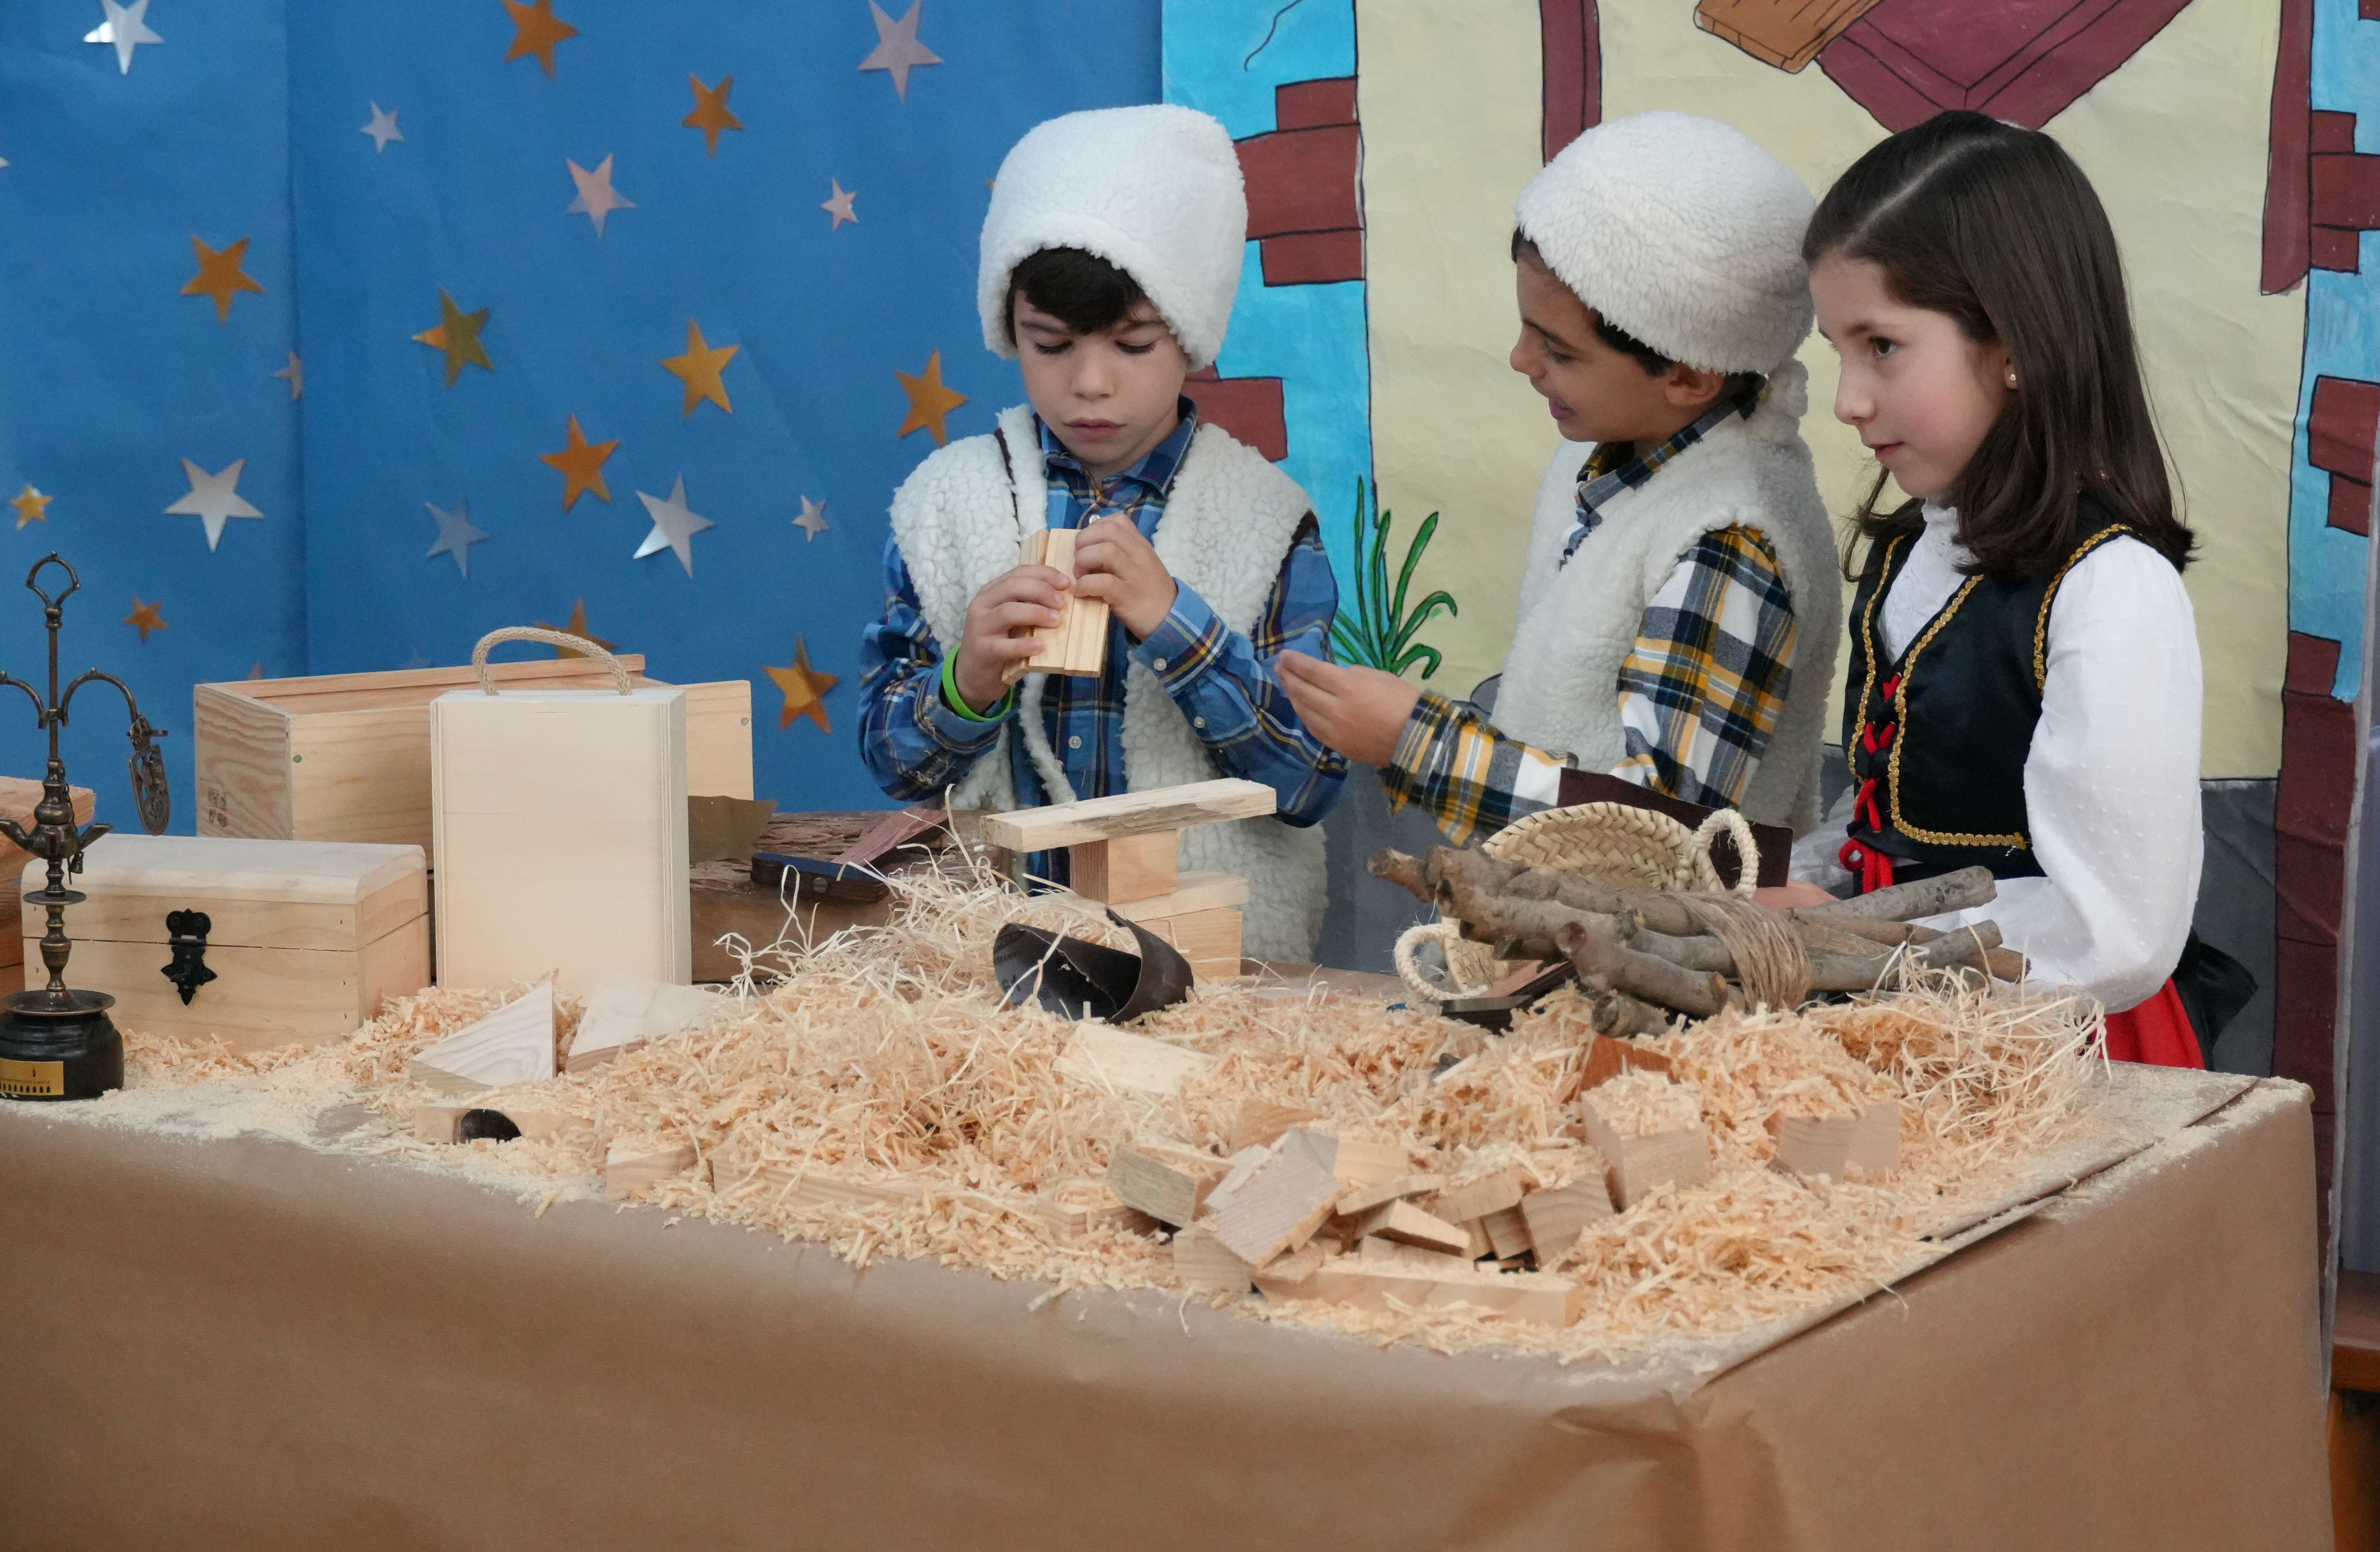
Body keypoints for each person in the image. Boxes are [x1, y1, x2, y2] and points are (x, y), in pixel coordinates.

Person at [857, 105, 1346, 962]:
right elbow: (896, 769)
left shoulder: (1265, 517)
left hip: (1217, 975)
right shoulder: (948, 502)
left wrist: (1175, 623)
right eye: (1050, 344)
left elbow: (1309, 782)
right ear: (1010, 328)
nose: (1090, 383)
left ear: (1190, 333)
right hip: (991, 976)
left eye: (1132, 344)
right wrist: (968, 681)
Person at [1280, 112, 1841, 850]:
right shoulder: (1615, 453)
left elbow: (1667, 838)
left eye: (1559, 351)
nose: (1521, 360)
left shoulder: (1730, 540)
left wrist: (1419, 741)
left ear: (1688, 375)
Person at [1802, 109, 2229, 1066]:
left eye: (1881, 346)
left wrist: (1852, 943)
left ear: (2012, 343)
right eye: (1838, 349)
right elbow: (1890, 810)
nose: (1847, 400)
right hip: (1886, 1011)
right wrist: (1800, 898)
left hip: (2038, 1043)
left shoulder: (2111, 591)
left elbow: (2115, 930)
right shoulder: (1912, 550)